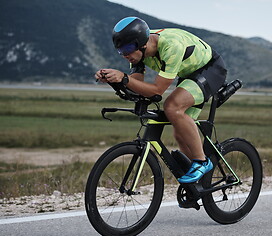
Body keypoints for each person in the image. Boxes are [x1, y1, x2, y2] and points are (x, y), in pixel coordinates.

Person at [95, 17, 227, 183]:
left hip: (210, 69)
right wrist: (115, 80)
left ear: (141, 43)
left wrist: (124, 78)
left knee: (172, 107)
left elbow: (157, 91)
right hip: (188, 74)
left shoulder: (171, 46)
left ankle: (202, 161)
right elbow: (137, 83)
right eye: (121, 51)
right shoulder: (137, 52)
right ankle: (200, 185)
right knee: (180, 133)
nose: (125, 55)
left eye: (128, 49)